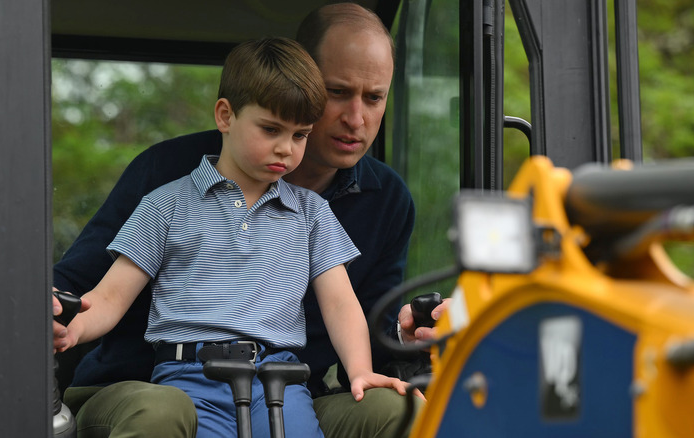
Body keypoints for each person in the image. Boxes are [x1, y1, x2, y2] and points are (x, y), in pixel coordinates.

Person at [53, 3, 446, 438]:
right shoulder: (166, 184)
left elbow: (351, 308)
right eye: (338, 92)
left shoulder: (355, 205)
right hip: (158, 383)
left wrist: (400, 332)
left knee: (401, 409)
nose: (357, 119)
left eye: (374, 97)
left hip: (283, 386)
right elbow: (89, 290)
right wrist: (62, 319)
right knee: (162, 412)